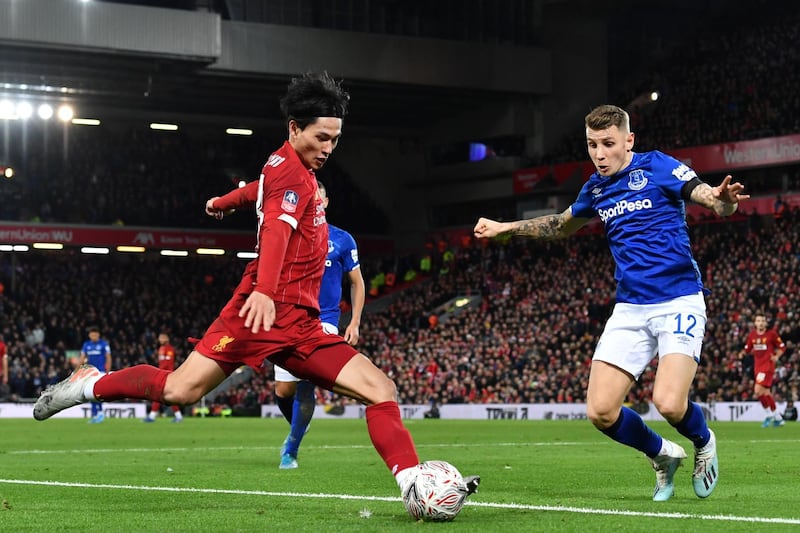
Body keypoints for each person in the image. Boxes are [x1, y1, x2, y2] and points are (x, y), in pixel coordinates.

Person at [33, 71, 478, 511]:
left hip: (301, 324)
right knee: (180, 391)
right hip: (257, 313)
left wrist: (223, 203)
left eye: (335, 140)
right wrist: (264, 290)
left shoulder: (282, 165)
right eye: (322, 138)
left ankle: (411, 486)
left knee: (381, 389)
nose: (329, 149)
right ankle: (89, 385)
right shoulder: (293, 178)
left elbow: (256, 190)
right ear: (294, 128)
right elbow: (278, 235)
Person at [473, 104, 746, 502]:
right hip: (631, 307)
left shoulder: (658, 167)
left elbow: (710, 198)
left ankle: (703, 441)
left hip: (679, 300)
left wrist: (725, 200)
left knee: (669, 403)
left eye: (608, 144)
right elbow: (559, 225)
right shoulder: (596, 189)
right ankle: (662, 455)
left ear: (628, 140)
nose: (599, 154)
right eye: (592, 145)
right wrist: (506, 229)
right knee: (600, 411)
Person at [273, 180, 366, 469]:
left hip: (323, 321)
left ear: (325, 202)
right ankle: (299, 425)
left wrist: (354, 322)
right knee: (282, 391)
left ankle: (291, 448)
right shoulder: (291, 236)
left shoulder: (342, 239)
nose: (314, 200)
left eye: (318, 196)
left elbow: (357, 283)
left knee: (304, 386)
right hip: (288, 320)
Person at [739, 313, 786, 427]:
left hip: (767, 366)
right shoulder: (752, 335)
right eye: (758, 320)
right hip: (757, 367)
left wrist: (777, 356)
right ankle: (778, 417)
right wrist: (742, 353)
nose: (760, 323)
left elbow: (782, 347)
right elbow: (748, 348)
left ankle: (768, 415)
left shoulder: (771, 334)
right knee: (765, 393)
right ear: (755, 323)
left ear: (766, 323)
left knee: (757, 390)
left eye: (763, 321)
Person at [144, 332, 184, 423]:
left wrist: (160, 373)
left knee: (161, 394)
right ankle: (153, 416)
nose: (160, 339)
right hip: (162, 374)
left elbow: (168, 363)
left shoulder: (170, 349)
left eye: (162, 338)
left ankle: (152, 416)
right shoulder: (161, 349)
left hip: (167, 375)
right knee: (160, 395)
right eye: (159, 338)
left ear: (167, 339)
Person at [80, 326, 112, 424]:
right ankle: (95, 414)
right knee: (90, 393)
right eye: (92, 334)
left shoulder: (104, 344)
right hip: (90, 372)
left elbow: (108, 357)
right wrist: (80, 369)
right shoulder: (86, 345)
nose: (93, 336)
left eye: (95, 334)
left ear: (98, 335)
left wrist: (108, 371)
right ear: (89, 335)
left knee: (98, 393)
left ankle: (100, 413)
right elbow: (82, 358)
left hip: (100, 372)